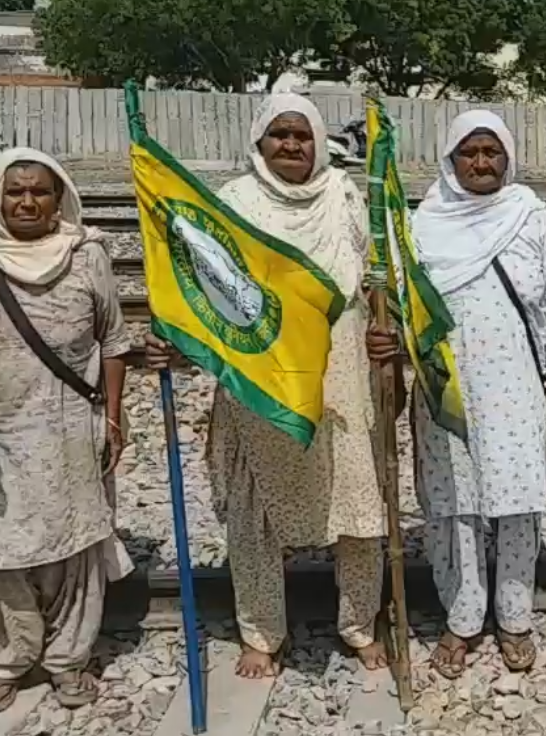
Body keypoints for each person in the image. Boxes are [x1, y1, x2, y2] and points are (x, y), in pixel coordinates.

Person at [144, 94, 390, 678]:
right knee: (255, 513)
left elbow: (376, 278)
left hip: (340, 370)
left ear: (319, 141)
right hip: (262, 369)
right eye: (279, 134)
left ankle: (359, 623)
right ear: (258, 141)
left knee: (357, 503)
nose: (292, 145)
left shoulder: (347, 198)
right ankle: (261, 632)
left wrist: (389, 333)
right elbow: (203, 289)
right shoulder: (232, 204)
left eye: (302, 135)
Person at [0, 149, 132, 714]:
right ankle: (12, 657)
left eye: (39, 191)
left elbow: (113, 342)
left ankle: (68, 660)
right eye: (14, 191)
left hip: (68, 425)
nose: (26, 201)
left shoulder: (87, 256)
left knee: (74, 547)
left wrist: (114, 416)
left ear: (58, 198)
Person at [409, 109, 546, 677]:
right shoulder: (423, 222)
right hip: (446, 390)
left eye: (491, 152)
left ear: (507, 158)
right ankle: (461, 620)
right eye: (470, 152)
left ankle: (513, 618)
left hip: (516, 388)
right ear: (451, 158)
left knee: (517, 504)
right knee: (453, 506)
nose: (481, 163)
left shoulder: (528, 216)